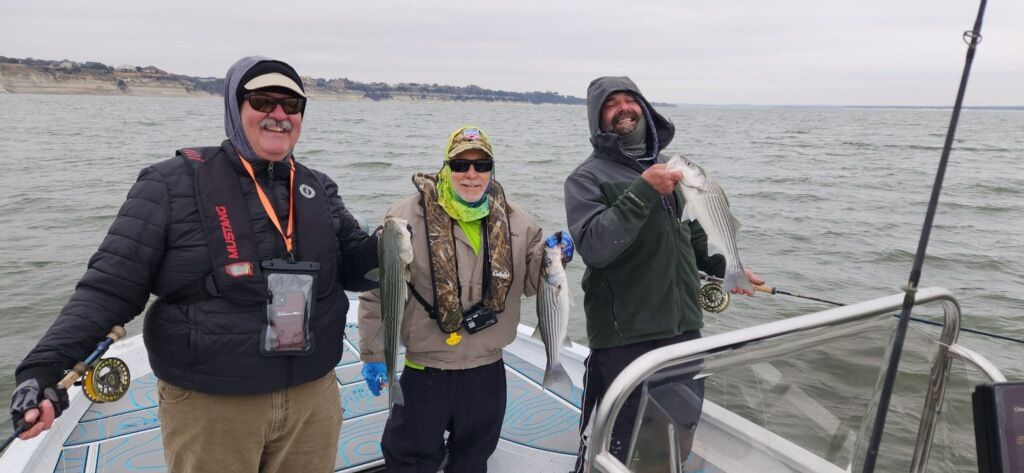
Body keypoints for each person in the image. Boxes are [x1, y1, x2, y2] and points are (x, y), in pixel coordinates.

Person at [8, 56, 379, 473]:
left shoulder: (318, 186)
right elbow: (109, 288)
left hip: (314, 394)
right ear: (235, 108)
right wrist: (43, 369)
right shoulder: (171, 183)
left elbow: (354, 270)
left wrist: (392, 245)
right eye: (263, 101)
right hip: (213, 402)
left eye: (290, 106)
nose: (278, 115)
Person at [564, 76, 763, 471]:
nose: (623, 108)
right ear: (598, 118)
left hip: (682, 328)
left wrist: (730, 269)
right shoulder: (586, 178)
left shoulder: (670, 174)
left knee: (673, 438)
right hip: (624, 338)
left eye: (629, 100)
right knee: (610, 446)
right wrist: (641, 191)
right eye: (611, 104)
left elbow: (688, 238)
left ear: (644, 108)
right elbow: (595, 247)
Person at [357, 125, 573, 473]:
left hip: (486, 372)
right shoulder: (404, 217)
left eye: (481, 165)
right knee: (409, 460)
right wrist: (372, 354)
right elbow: (376, 293)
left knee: (472, 460)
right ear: (446, 167)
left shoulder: (521, 222)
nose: (471, 175)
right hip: (425, 370)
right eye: (460, 165)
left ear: (491, 169)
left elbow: (536, 283)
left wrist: (556, 254)